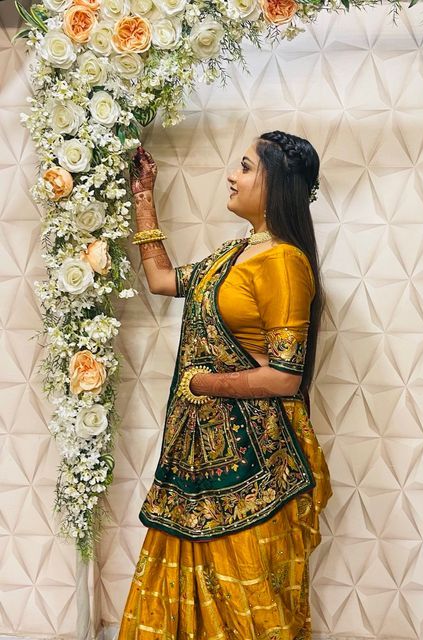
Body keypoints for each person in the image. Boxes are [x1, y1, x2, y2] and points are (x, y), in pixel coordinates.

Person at [118, 130, 332, 640]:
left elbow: (285, 377)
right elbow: (162, 281)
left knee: (247, 601)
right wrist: (143, 197)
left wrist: (205, 384)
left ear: (275, 183)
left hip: (257, 460)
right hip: (199, 459)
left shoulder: (283, 261)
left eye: (245, 166)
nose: (232, 176)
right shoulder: (230, 256)